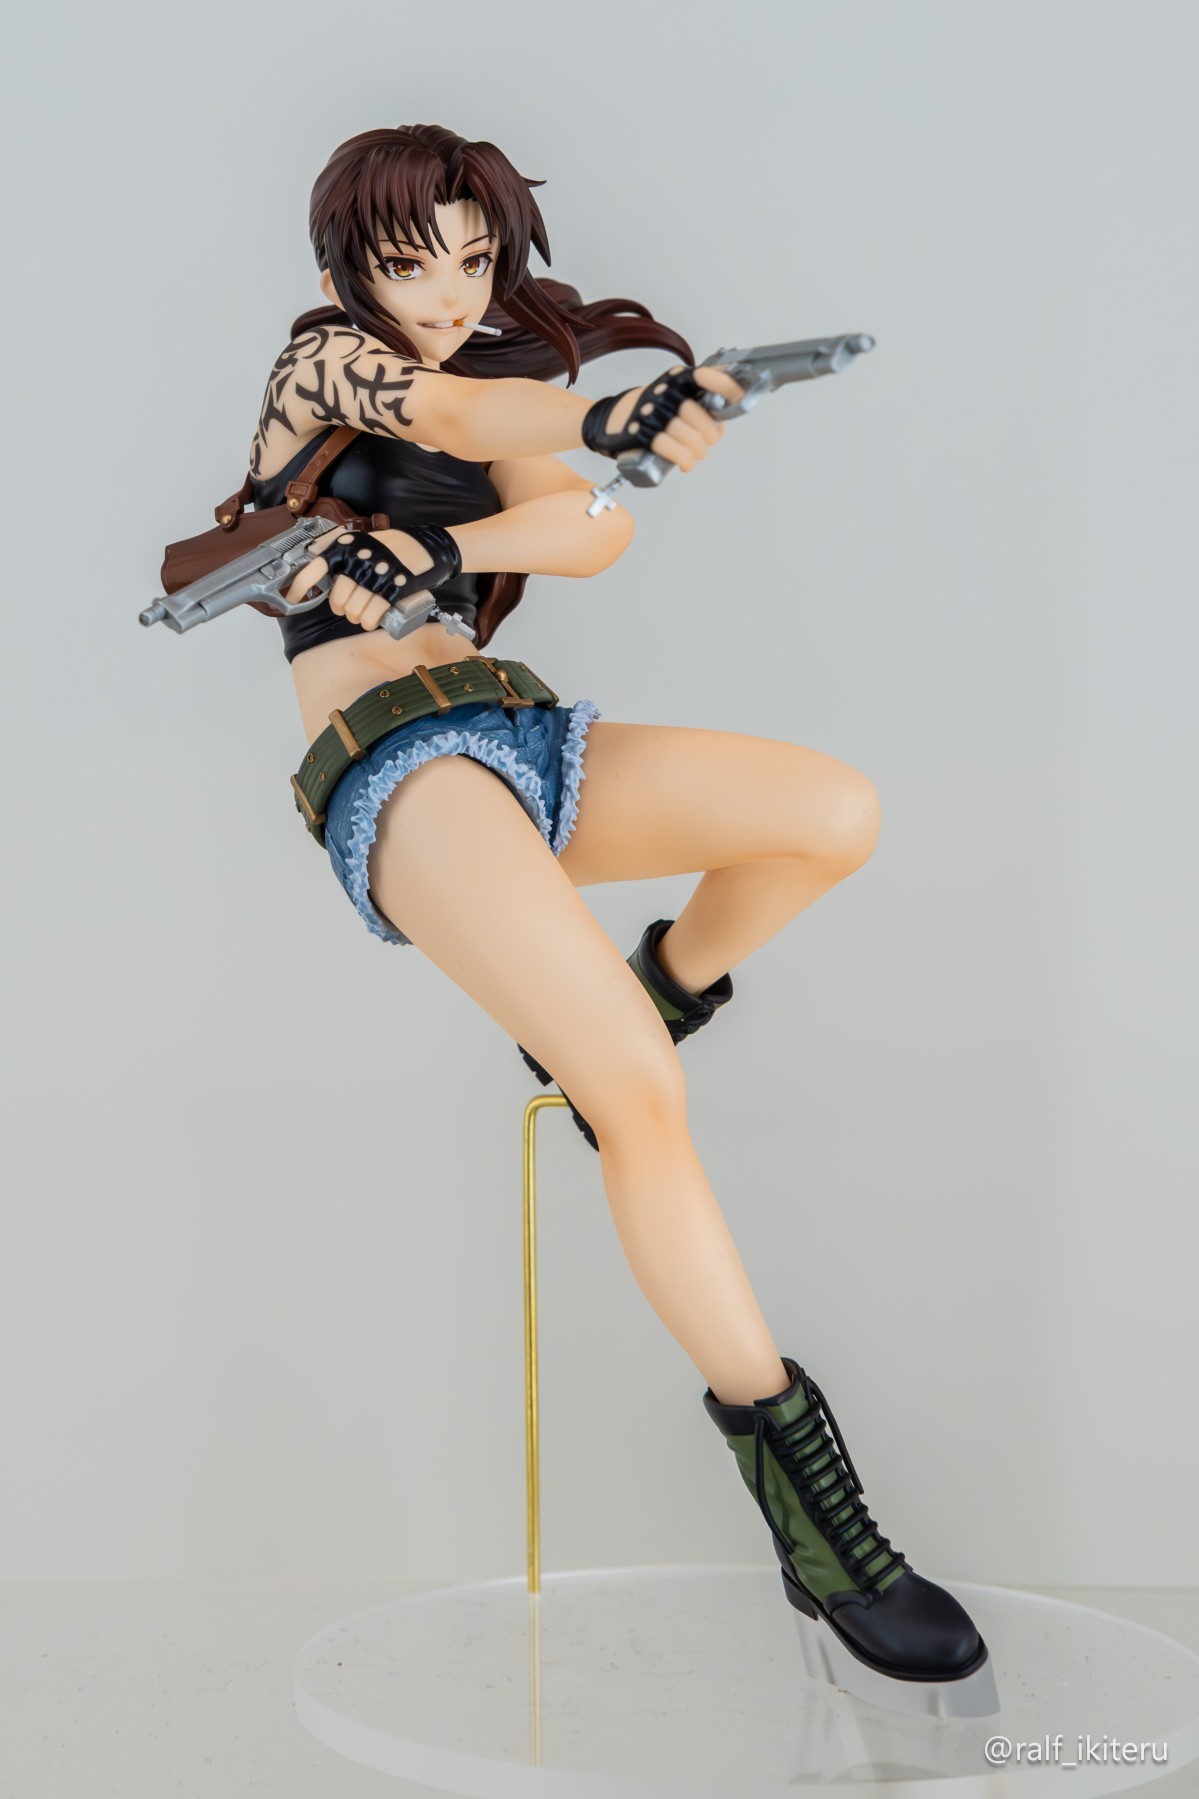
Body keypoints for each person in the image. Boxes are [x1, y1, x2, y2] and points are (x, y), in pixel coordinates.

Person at [246, 122, 990, 1696]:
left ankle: (644, 1003)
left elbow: (589, 525)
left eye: (473, 259)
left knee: (829, 813)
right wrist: (592, 412)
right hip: (399, 769)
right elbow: (445, 411)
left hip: (517, 731)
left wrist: (453, 532)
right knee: (642, 1102)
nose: (450, 293)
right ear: (345, 266)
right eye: (411, 262)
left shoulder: (497, 365)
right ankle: (819, 1522)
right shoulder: (321, 365)